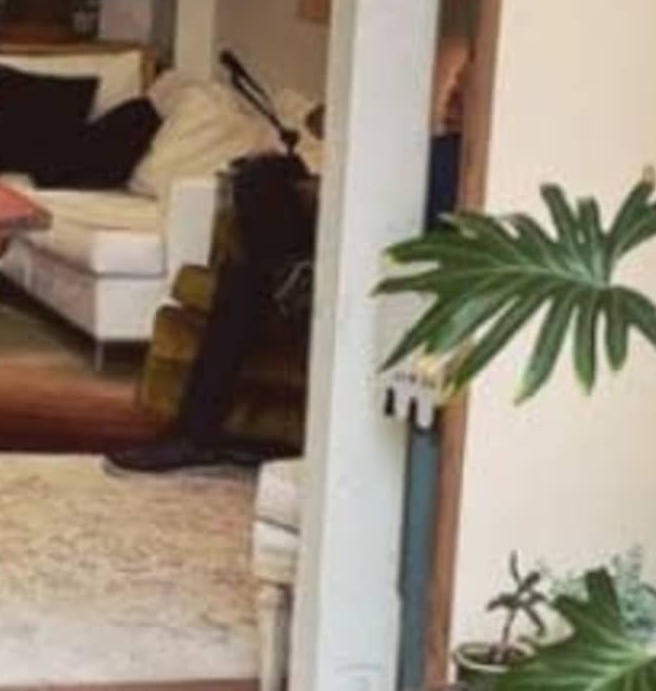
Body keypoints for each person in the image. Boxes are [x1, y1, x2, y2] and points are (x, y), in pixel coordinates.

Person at [104, 27, 473, 474]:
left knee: (245, 278)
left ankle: (196, 432)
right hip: (344, 252)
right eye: (455, 84)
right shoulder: (427, 152)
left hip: (384, 278)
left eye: (465, 86)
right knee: (263, 181)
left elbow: (397, 223)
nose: (453, 93)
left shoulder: (465, 164)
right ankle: (290, 277)